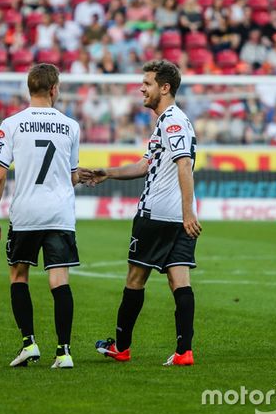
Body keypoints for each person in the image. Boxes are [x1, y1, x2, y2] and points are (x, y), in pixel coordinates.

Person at [79, 60, 201, 367]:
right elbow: (145, 165)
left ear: (165, 87)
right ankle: (184, 352)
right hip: (177, 217)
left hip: (157, 215)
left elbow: (184, 164)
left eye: (146, 84)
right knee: (180, 281)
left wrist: (187, 214)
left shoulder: (172, 122)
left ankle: (121, 346)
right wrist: (107, 173)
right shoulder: (168, 122)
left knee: (135, 279)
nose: (141, 89)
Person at [0, 63, 81, 369]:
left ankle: (29, 344)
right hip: (60, 213)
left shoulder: (11, 124)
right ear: (54, 89)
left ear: (30, 89)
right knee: (59, 280)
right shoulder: (71, 125)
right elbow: (73, 176)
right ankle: (64, 351)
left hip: (26, 213)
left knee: (18, 275)